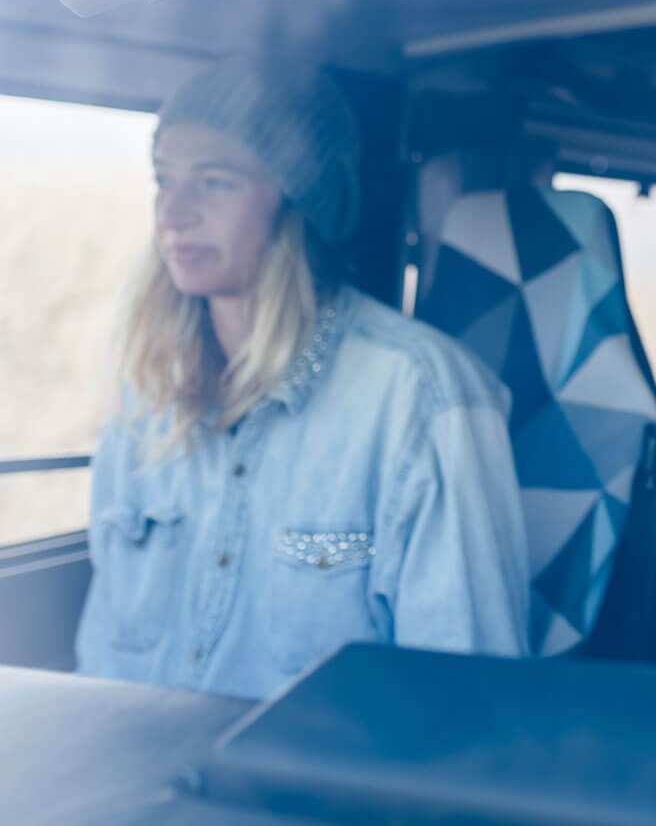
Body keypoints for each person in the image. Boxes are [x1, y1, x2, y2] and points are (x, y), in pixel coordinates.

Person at [76, 56, 529, 699]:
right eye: (164, 180)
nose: (172, 214)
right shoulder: (146, 393)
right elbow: (99, 663)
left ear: (298, 202)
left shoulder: (423, 397)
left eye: (214, 182)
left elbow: (465, 696)